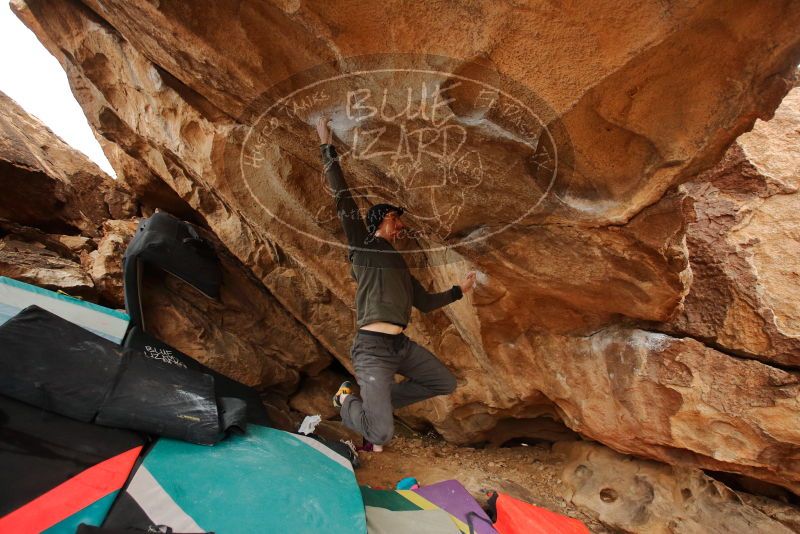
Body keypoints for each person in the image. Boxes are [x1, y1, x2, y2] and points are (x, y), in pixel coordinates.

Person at [316, 116, 476, 452]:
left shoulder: (401, 266)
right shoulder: (364, 246)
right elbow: (343, 201)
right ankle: (347, 401)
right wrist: (327, 147)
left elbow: (426, 303)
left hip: (400, 346)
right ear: (378, 222)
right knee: (381, 435)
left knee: (443, 382)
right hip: (372, 348)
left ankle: (378, 406)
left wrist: (460, 290)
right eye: (394, 218)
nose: (400, 225)